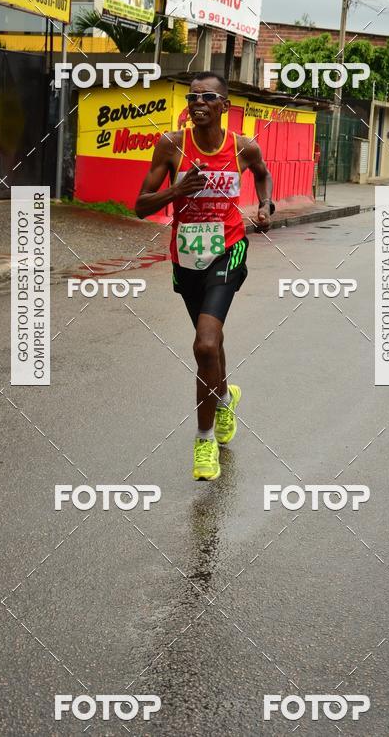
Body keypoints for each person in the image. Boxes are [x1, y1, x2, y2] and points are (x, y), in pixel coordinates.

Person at [135, 72, 274, 480]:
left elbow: (263, 174)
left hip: (228, 250)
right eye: (193, 96)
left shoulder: (243, 147)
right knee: (208, 348)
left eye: (208, 97)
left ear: (224, 106)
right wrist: (176, 192)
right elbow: (140, 206)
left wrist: (267, 206)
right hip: (186, 258)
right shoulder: (172, 145)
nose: (198, 103)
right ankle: (226, 396)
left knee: (205, 343)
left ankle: (204, 439)